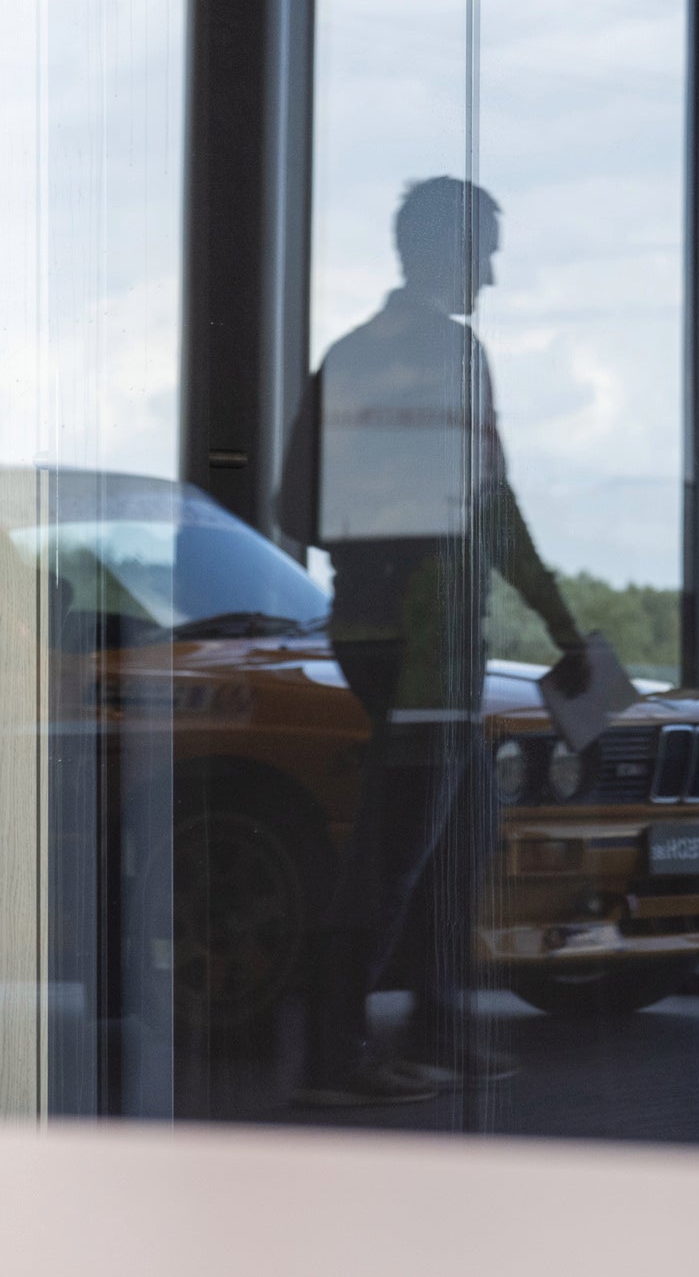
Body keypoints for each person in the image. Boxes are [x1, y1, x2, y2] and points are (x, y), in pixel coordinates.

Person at [278, 177, 586, 1106]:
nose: (489, 275)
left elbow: (299, 505)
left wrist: (383, 537)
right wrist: (564, 625)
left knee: (458, 834)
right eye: (482, 253)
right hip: (427, 649)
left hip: (373, 633)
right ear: (444, 253)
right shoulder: (454, 355)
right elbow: (493, 506)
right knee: (401, 847)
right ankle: (335, 1056)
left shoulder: (349, 355)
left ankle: (437, 1024)